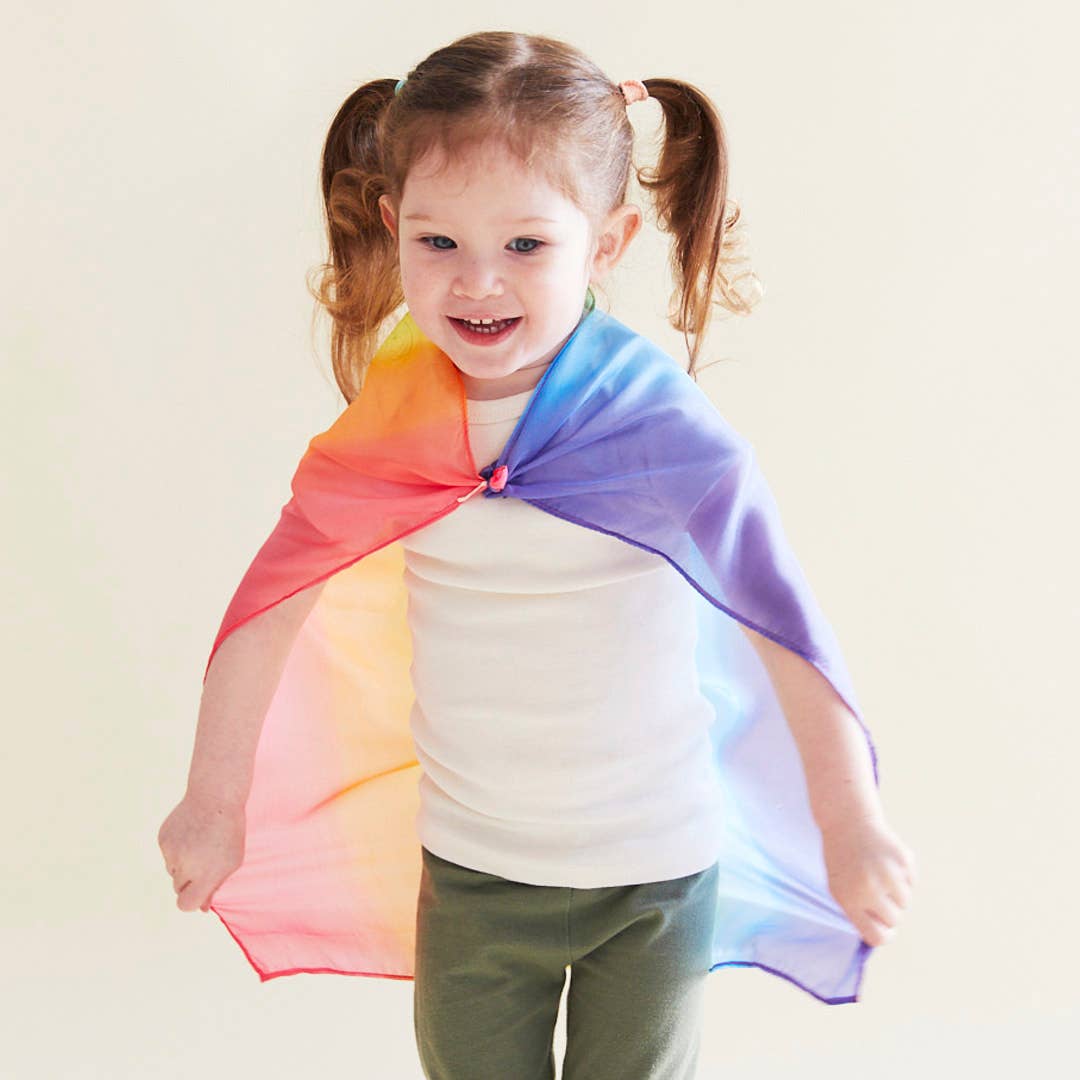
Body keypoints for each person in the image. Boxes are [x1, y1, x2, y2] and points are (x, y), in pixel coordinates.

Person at [158, 30, 917, 1080]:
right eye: (439, 244)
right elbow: (272, 604)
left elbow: (779, 619)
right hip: (475, 873)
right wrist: (212, 799)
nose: (479, 284)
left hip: (653, 878)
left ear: (608, 243)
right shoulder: (387, 431)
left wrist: (852, 824)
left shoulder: (656, 428)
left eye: (525, 246)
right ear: (394, 225)